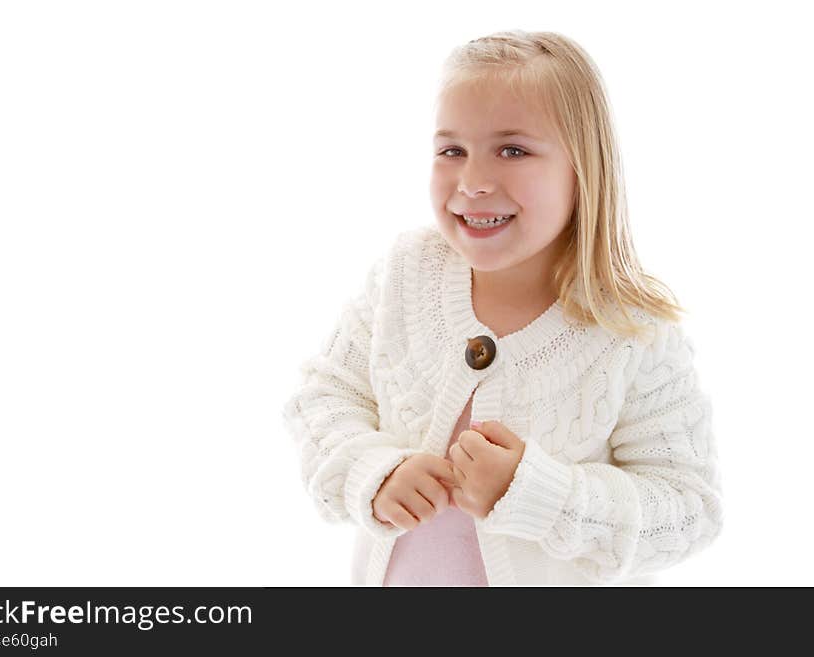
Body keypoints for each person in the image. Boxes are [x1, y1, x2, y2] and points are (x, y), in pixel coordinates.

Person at [282, 29, 724, 586]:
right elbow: (325, 396)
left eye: (512, 150)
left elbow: (687, 510)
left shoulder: (633, 331)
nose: (472, 183)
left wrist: (536, 493)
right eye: (452, 151)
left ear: (582, 170)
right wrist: (374, 471)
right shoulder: (407, 272)